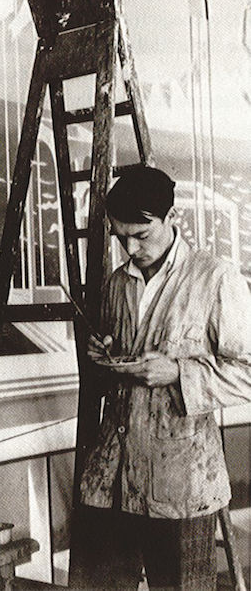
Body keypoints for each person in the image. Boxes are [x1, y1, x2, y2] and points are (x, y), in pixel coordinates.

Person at [69, 166, 251, 591]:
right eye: (120, 237)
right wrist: (104, 355)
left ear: (172, 218)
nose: (130, 248)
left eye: (141, 235)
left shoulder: (214, 278)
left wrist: (179, 373)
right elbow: (115, 361)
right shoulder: (117, 284)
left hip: (181, 484)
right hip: (110, 478)